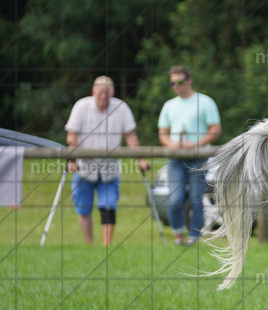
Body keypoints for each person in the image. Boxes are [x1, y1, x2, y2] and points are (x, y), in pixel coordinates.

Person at [65, 76, 149, 246]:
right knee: (83, 209)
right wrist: (72, 160)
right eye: (100, 91)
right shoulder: (81, 106)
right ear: (93, 91)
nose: (103, 95)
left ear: (112, 92)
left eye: (107, 91)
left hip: (109, 168)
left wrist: (140, 159)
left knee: (108, 206)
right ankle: (90, 245)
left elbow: (130, 135)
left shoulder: (121, 108)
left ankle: (106, 247)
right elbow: (72, 136)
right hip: (84, 167)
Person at [157, 65, 221, 245]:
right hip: (176, 158)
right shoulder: (169, 105)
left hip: (198, 157)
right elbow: (163, 132)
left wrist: (197, 143)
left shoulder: (205, 102)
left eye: (179, 82)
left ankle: (194, 237)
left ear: (189, 81)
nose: (175, 86)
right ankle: (178, 236)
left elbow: (215, 130)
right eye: (172, 83)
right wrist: (172, 144)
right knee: (175, 199)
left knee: (195, 199)